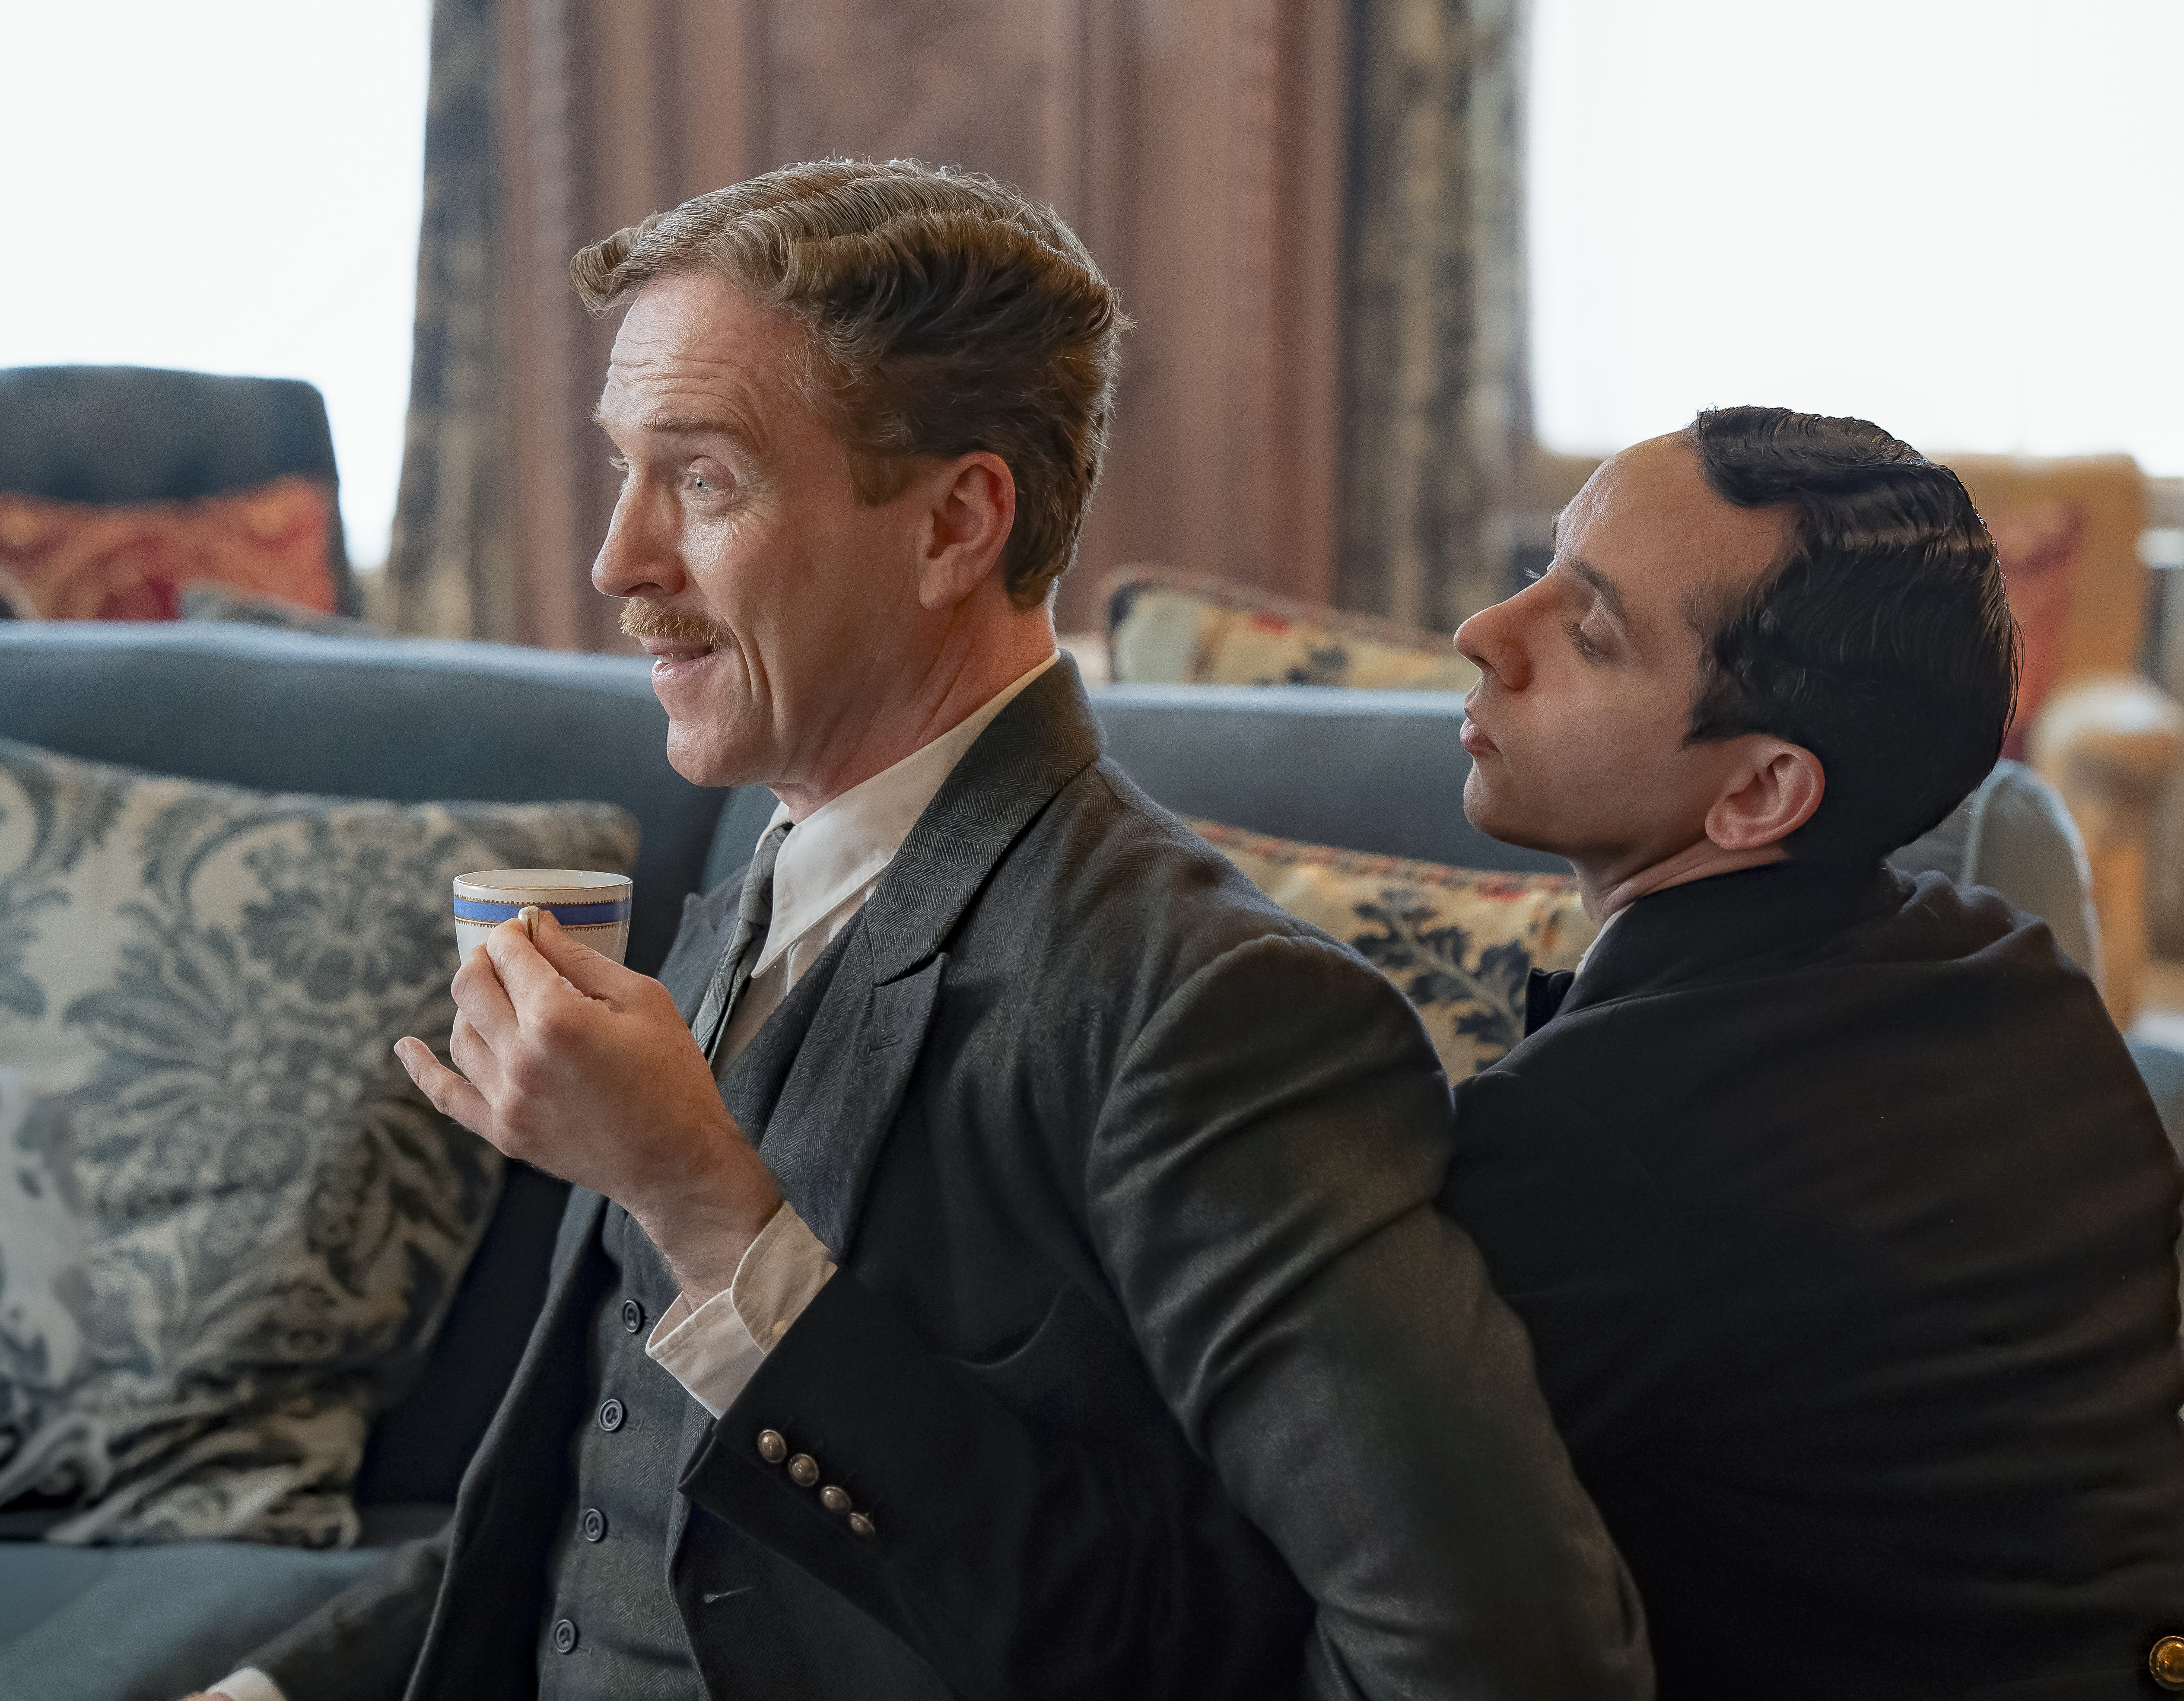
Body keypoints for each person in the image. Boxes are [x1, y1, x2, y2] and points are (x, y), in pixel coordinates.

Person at [198, 160, 1647, 1701]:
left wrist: (703, 1202)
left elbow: (1505, 1662)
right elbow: (572, 1505)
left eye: (703, 480)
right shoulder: (741, 905)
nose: (618, 561)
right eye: (623, 470)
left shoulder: (1213, 1011)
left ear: (955, 525)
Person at [1436, 406, 2184, 1700]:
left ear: (1758, 793)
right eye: (1545, 567)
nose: (1483, 631)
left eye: (1589, 633)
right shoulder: (2008, 973)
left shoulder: (1591, 1142)